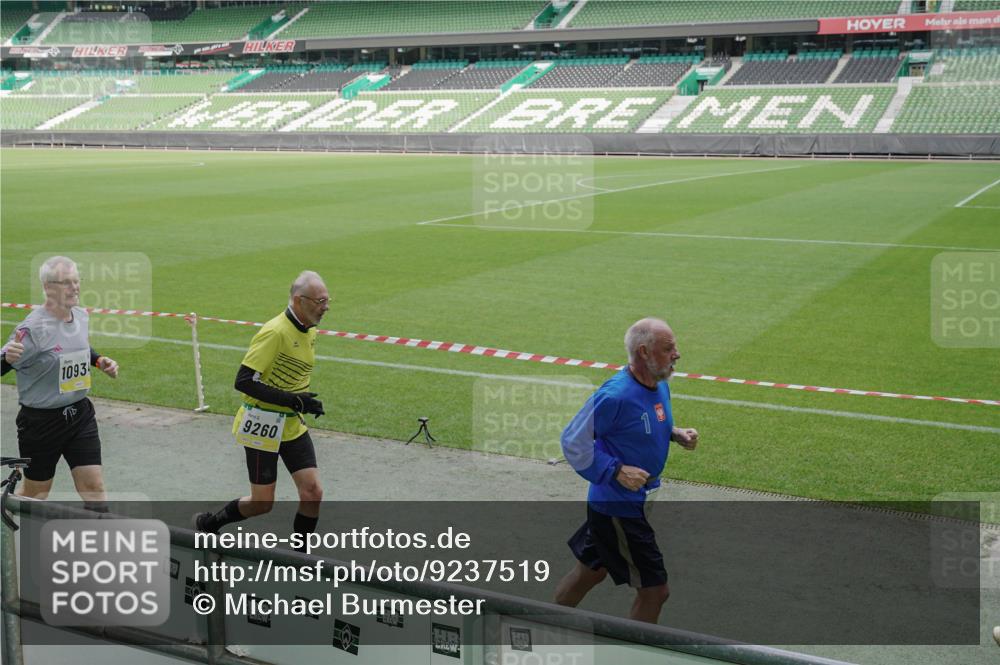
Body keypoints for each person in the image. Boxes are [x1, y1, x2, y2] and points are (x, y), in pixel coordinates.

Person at [553, 317, 698, 624]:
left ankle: (540, 624)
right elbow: (572, 441)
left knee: (589, 573)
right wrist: (616, 470)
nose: (677, 354)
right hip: (618, 508)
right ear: (644, 352)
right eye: (668, 348)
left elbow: (642, 423)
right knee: (655, 591)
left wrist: (674, 433)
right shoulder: (615, 395)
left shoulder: (657, 385)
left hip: (627, 503)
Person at [194, 271, 329, 548]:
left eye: (328, 300)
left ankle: (299, 556)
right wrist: (294, 400)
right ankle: (208, 523)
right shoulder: (275, 332)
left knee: (313, 492)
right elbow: (243, 381)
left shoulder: (310, 330)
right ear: (298, 300)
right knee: (262, 503)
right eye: (320, 301)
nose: (325, 307)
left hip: (292, 423)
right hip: (261, 424)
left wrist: (299, 402)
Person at [0, 256, 118, 509]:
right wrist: (6, 359)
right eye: (66, 282)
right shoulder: (32, 329)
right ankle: (5, 533)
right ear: (48, 288)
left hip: (79, 415)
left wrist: (99, 361)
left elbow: (79, 348)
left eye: (76, 280)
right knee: (36, 494)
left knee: (94, 487)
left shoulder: (81, 315)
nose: (75, 287)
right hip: (41, 423)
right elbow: (4, 362)